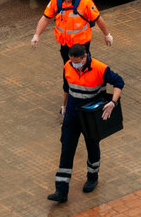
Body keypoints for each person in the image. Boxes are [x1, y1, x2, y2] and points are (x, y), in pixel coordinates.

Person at [47, 44, 124, 203]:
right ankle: (61, 190)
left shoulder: (99, 68)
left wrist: (113, 102)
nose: (74, 64)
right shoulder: (68, 66)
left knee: (92, 145)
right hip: (72, 115)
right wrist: (64, 106)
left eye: (77, 62)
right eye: (71, 61)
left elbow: (119, 83)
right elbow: (66, 88)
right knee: (67, 149)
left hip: (90, 116)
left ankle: (92, 177)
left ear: (85, 57)